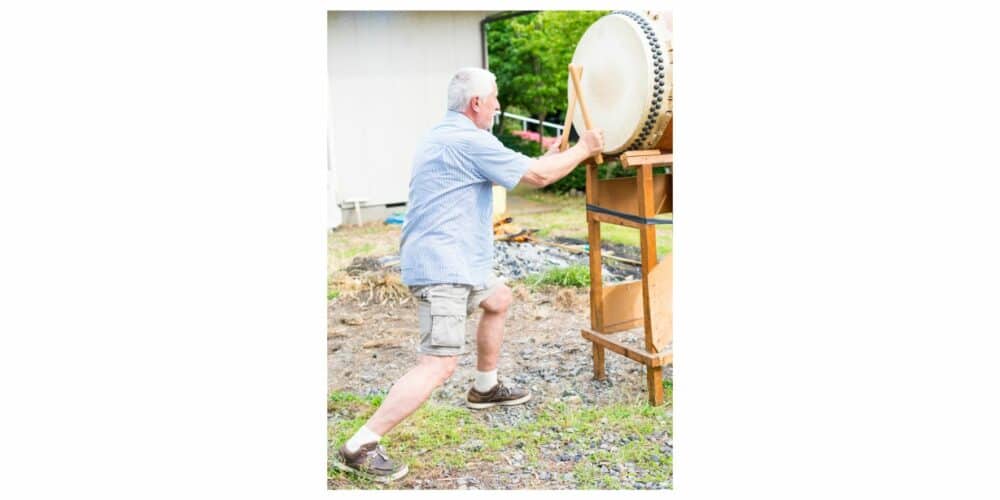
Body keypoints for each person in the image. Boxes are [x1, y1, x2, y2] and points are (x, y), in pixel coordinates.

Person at [333, 67, 605, 483]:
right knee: (438, 364)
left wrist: (554, 155)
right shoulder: (469, 141)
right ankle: (360, 446)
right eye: (494, 97)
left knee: (499, 298)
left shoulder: (446, 134)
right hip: (444, 268)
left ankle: (485, 387)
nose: (498, 104)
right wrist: (584, 148)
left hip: (460, 261)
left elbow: (529, 168)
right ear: (476, 103)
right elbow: (539, 177)